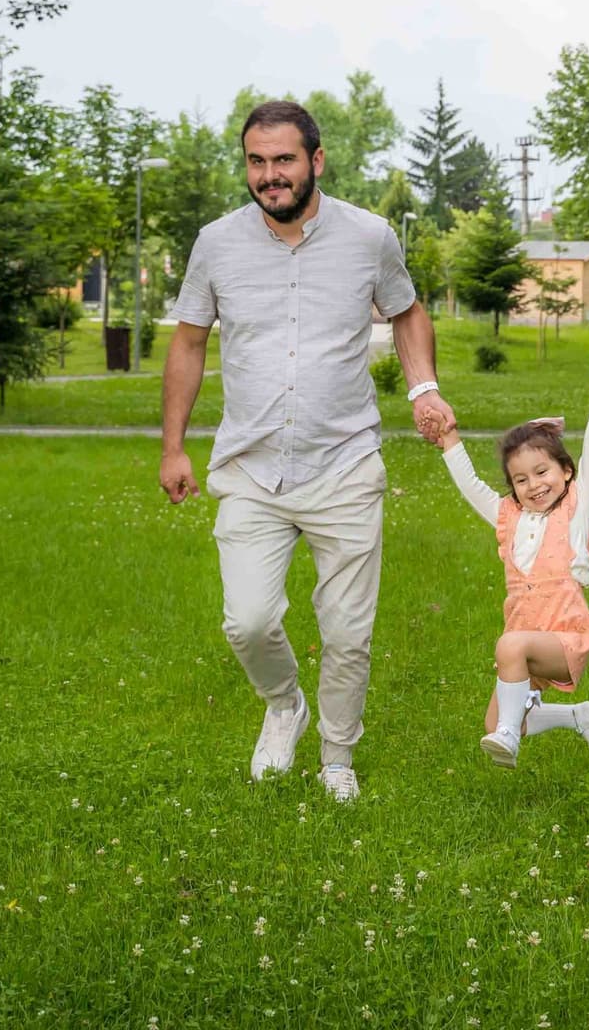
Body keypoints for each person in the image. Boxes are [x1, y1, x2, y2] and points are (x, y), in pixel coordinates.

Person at [159, 100, 455, 802]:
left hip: (345, 464)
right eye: (257, 162)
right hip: (251, 468)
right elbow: (190, 342)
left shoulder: (370, 237)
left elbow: (408, 310)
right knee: (249, 620)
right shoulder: (216, 244)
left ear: (316, 161)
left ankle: (338, 757)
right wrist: (172, 446)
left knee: (348, 633)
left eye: (284, 160)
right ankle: (285, 705)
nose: (270, 176)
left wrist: (424, 390)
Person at [425, 357, 589, 768]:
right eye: (521, 479)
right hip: (523, 642)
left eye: (542, 472)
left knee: (508, 657)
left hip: (565, 637)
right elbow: (470, 486)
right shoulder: (508, 519)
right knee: (493, 719)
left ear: (567, 471)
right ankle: (579, 716)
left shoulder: (577, 510)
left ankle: (509, 739)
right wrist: (449, 438)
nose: (534, 485)